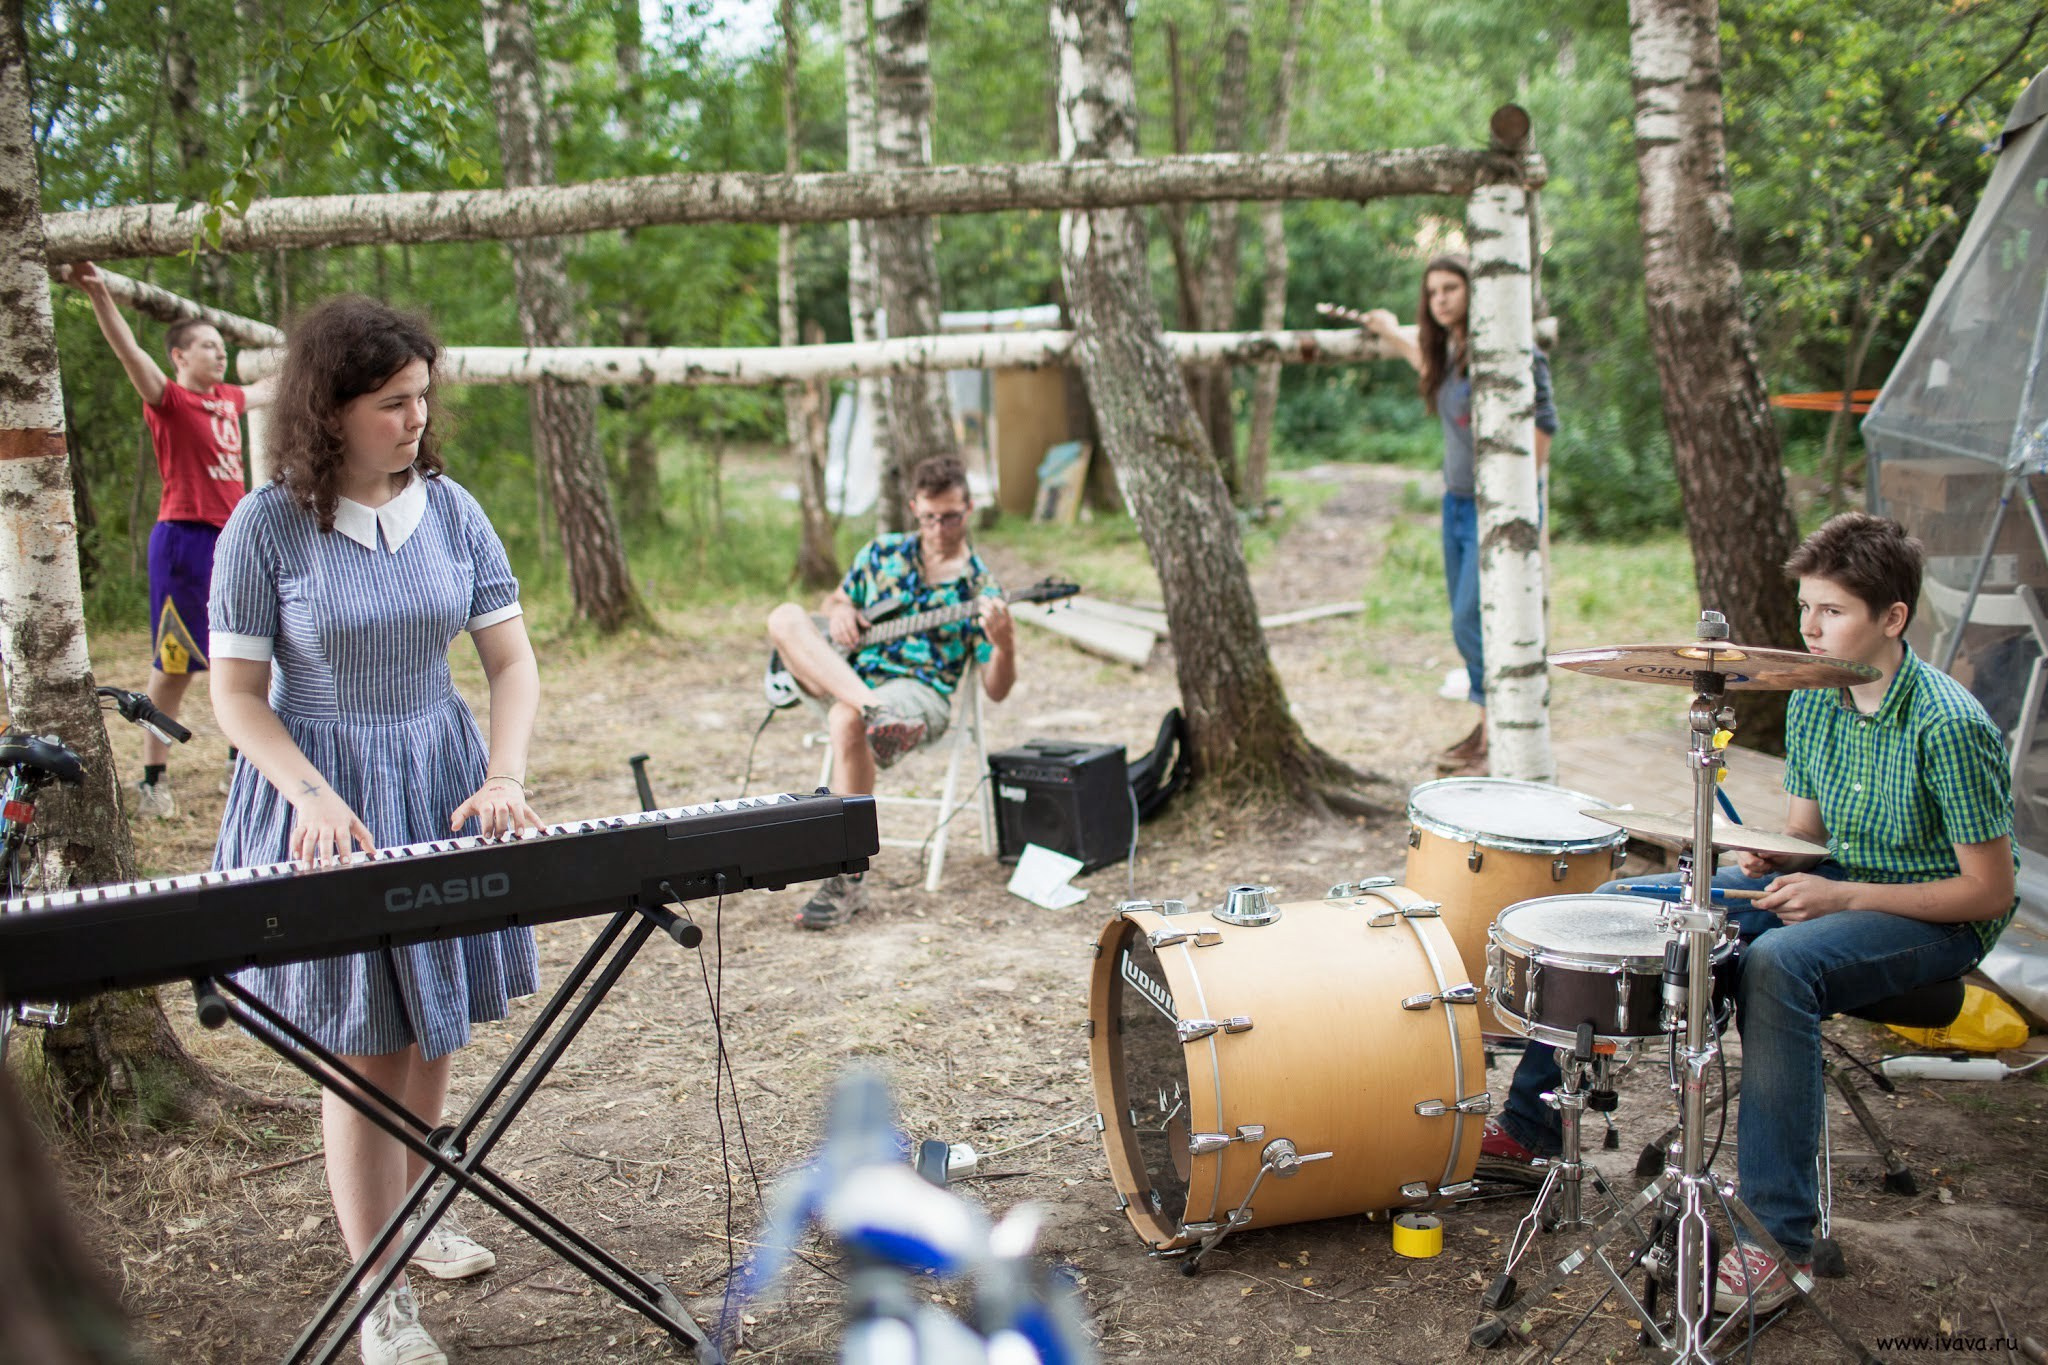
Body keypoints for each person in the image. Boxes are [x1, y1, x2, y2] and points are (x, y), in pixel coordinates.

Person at [1484, 512, 2015, 1316]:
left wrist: (1841, 895)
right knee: (1616, 906)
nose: (1808, 625)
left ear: (1892, 617)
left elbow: (1988, 891)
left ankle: (1778, 1239)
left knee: (1777, 964)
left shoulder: (1948, 725)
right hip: (1842, 881)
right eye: (1806, 606)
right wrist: (1768, 858)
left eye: (1831, 610)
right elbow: (1806, 836)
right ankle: (1526, 1131)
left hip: (1935, 917)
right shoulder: (1813, 697)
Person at [208, 296, 543, 1365]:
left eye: (422, 398)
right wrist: (306, 792)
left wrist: (502, 775)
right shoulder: (265, 525)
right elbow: (235, 695)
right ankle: (378, 1298)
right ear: (329, 409)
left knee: (433, 1016)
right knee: (362, 1047)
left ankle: (414, 1205)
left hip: (439, 774)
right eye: (392, 402)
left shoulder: (449, 509)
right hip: (323, 795)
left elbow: (510, 661)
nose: (415, 418)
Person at [765, 455, 1016, 930]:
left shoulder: (981, 587)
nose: (940, 528)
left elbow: (997, 690)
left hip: (918, 694)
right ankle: (872, 708)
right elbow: (836, 599)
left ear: (970, 508)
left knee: (845, 719)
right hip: (854, 678)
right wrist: (838, 609)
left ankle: (847, 874)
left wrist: (1005, 642)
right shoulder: (882, 554)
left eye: (951, 516)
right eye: (929, 517)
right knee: (783, 617)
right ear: (914, 509)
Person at [66, 262, 276, 818]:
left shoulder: (229, 399)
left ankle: (246, 762)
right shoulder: (169, 400)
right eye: (207, 345)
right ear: (180, 356)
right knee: (176, 663)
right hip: (185, 542)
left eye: (220, 345)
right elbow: (130, 353)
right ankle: (153, 777)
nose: (218, 352)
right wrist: (99, 296)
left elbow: (274, 386)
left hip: (234, 543)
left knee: (251, 649)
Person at [1360, 255, 1557, 775]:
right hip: (1455, 505)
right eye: (1433, 292)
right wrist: (1385, 330)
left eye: (1451, 288)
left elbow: (1544, 426)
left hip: (1498, 510)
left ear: (1476, 291)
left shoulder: (1512, 351)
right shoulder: (1448, 353)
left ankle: (1499, 728)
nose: (1441, 299)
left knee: (1472, 616)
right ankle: (1488, 727)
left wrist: (1524, 500)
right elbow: (1424, 366)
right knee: (1465, 616)